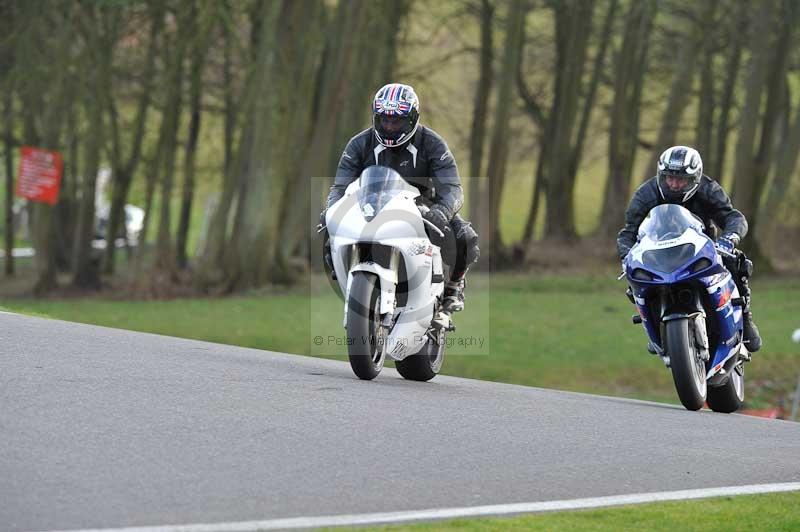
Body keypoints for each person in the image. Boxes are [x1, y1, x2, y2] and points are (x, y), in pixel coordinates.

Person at [320, 82, 479, 313]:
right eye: (384, 119)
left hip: (424, 208)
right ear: (375, 117)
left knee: (465, 237)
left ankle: (454, 285)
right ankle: (347, 276)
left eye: (397, 121)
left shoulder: (433, 144)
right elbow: (339, 187)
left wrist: (442, 211)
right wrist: (331, 209)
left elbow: (454, 188)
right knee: (328, 228)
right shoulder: (359, 144)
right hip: (369, 206)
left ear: (413, 118)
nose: (390, 126)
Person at [617, 145, 762, 352]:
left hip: (701, 250)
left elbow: (733, 217)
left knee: (736, 262)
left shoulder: (708, 189)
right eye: (669, 177)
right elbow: (628, 232)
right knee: (635, 279)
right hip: (658, 254)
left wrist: (729, 238)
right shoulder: (645, 194)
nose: (674, 184)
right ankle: (654, 326)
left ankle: (745, 319)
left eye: (681, 179)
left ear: (695, 178)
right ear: (661, 175)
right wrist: (627, 256)